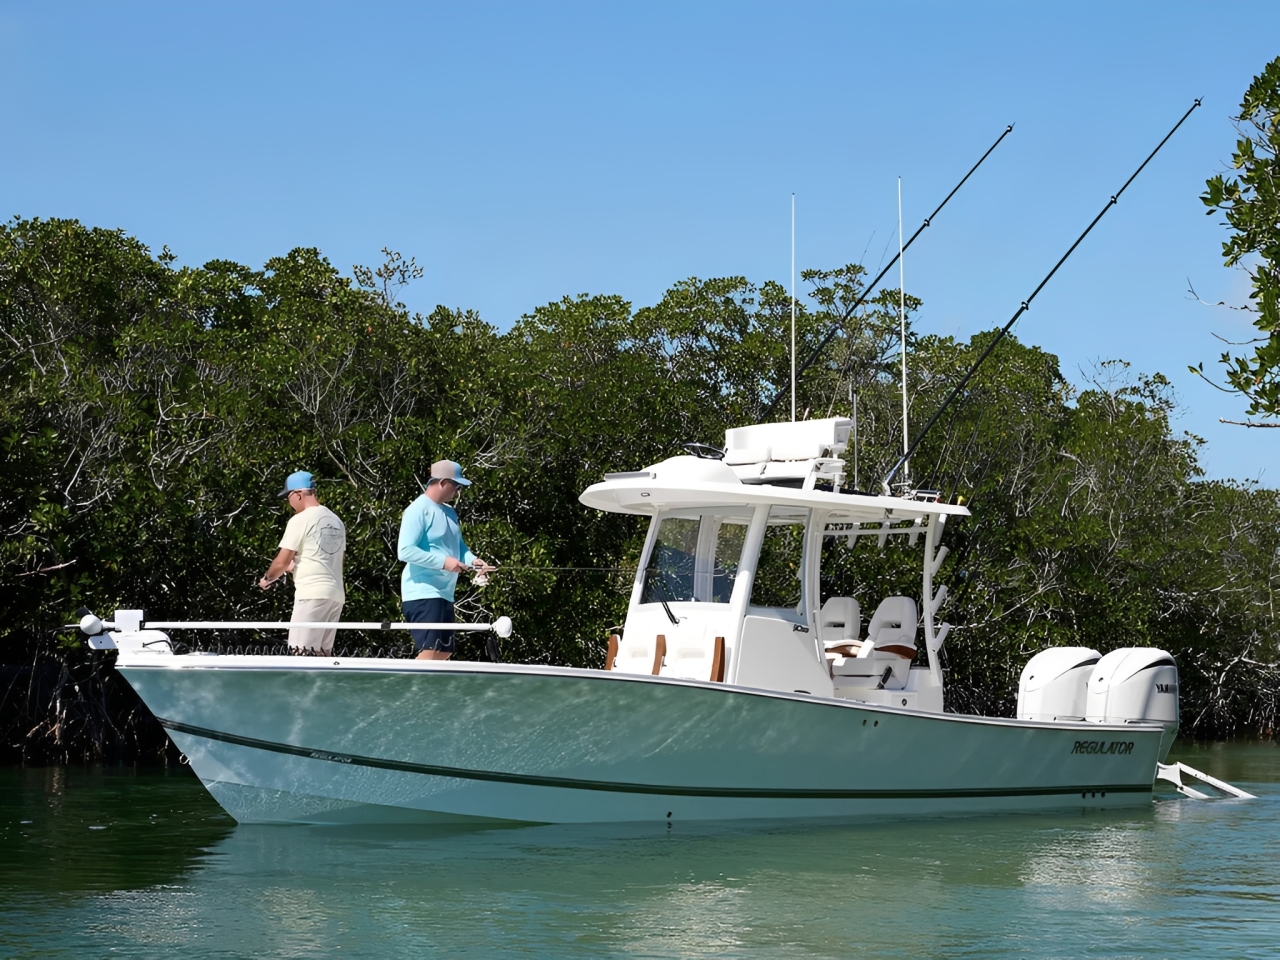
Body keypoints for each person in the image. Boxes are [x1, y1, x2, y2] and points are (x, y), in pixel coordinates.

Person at [398, 459, 493, 660]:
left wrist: (474, 561)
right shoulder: (417, 509)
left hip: (445, 594)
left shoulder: (450, 512)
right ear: (442, 482)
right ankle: (406, 682)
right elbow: (405, 551)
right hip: (422, 592)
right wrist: (444, 562)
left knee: (444, 651)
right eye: (456, 486)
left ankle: (424, 682)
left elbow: (459, 547)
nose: (458, 492)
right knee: (430, 650)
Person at [259, 470, 347, 655]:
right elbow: (332, 559)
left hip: (311, 594)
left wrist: (268, 578)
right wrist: (295, 568)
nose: (288, 502)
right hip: (336, 596)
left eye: (288, 497)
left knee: (301, 654)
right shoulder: (336, 521)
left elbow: (281, 561)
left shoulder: (300, 519)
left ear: (298, 494)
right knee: (322, 656)